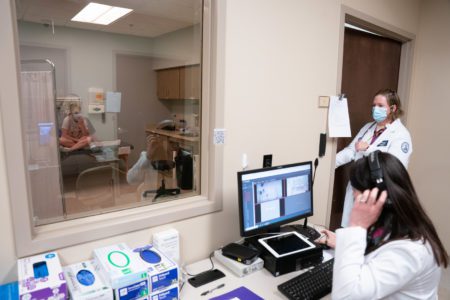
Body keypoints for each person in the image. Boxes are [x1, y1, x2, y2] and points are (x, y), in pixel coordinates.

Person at [318, 152, 448, 299]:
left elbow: (346, 297)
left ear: (377, 197)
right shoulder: (397, 222)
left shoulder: (410, 252)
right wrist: (344, 242)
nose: (354, 197)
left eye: (355, 191)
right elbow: (377, 244)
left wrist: (356, 226)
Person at [336, 89, 412, 227]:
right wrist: (328, 164)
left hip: (376, 194)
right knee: (350, 233)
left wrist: (368, 149)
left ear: (393, 108)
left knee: (369, 238)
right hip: (356, 189)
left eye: (380, 106)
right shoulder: (368, 128)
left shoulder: (401, 134)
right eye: (373, 105)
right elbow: (351, 151)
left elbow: (394, 168)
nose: (375, 109)